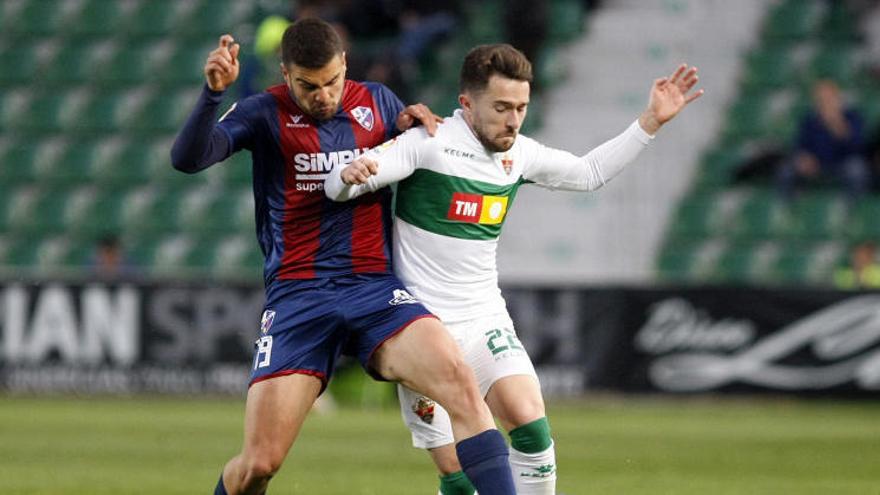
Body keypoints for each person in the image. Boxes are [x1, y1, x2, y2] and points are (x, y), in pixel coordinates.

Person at [325, 44, 702, 494]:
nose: (513, 119)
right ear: (467, 103)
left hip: (484, 318)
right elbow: (339, 187)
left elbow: (588, 173)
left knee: (532, 431)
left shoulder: (517, 154)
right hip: (421, 329)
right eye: (501, 107)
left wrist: (651, 122)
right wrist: (349, 176)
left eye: (521, 107)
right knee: (459, 478)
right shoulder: (429, 142)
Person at [170, 19, 518, 495]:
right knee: (259, 464)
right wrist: (212, 95)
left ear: (345, 66)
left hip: (374, 289)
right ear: (285, 74)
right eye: (308, 86)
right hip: (299, 297)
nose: (324, 95)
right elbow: (188, 159)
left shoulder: (377, 101)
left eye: (332, 81)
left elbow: (417, 155)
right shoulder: (262, 112)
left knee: (460, 383)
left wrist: (417, 126)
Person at [775, 79, 870, 205]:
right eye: (820, 100)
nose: (825, 103)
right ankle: (788, 208)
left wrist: (837, 124)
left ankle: (851, 209)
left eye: (828, 98)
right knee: (785, 170)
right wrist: (803, 158)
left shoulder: (852, 116)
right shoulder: (809, 120)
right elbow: (798, 145)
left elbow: (857, 147)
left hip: (841, 162)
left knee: (857, 169)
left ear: (837, 98)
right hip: (815, 163)